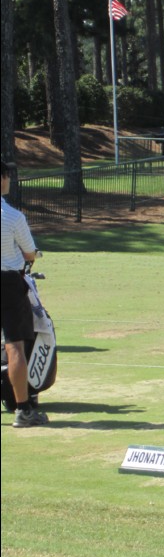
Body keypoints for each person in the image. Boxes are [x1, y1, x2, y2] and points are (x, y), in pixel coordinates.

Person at [1, 160, 49, 427]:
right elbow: (30, 253)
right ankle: (23, 410)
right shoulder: (12, 217)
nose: (9, 179)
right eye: (6, 175)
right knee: (15, 345)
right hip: (8, 282)